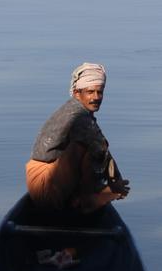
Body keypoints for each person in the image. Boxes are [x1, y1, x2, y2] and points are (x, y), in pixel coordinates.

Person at [25, 62, 130, 213]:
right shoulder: (77, 116)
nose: (96, 97)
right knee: (85, 146)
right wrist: (115, 184)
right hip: (44, 184)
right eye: (90, 92)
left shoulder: (81, 113)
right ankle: (87, 201)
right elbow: (101, 148)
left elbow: (103, 150)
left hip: (51, 180)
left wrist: (115, 182)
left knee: (91, 144)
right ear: (76, 93)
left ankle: (81, 197)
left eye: (99, 92)